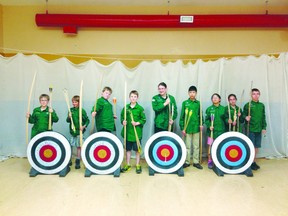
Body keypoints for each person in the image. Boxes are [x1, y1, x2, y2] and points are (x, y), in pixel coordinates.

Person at [120, 90, 146, 174]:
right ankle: (128, 164)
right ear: (129, 97)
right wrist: (123, 122)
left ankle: (138, 164)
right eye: (131, 96)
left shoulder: (140, 108)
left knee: (137, 150)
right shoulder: (126, 108)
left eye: (135, 97)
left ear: (137, 98)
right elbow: (122, 117)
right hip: (127, 133)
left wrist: (137, 123)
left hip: (136, 133)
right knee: (128, 150)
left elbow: (143, 119)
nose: (133, 98)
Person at [179, 86, 203, 169]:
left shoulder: (199, 103)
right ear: (188, 93)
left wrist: (201, 124)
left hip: (196, 127)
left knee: (196, 146)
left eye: (194, 92)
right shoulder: (185, 103)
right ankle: (187, 161)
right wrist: (182, 128)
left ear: (196, 93)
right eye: (190, 92)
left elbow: (200, 115)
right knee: (187, 146)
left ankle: (196, 162)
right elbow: (182, 116)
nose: (192, 94)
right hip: (187, 128)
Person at [243, 88, 267, 171]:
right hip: (250, 129)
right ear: (251, 95)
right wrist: (246, 117)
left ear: (259, 95)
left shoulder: (262, 105)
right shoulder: (248, 105)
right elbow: (243, 115)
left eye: (257, 93)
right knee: (251, 146)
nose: (256, 95)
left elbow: (263, 117)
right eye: (254, 94)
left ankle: (253, 161)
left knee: (256, 146)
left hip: (259, 129)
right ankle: (249, 162)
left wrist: (264, 127)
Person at [66, 95, 90, 169]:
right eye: (73, 102)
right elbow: (67, 121)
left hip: (79, 132)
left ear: (79, 102)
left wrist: (83, 126)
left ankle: (78, 159)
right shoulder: (71, 110)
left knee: (79, 146)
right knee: (71, 145)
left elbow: (87, 120)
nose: (74, 103)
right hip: (72, 131)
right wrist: (69, 117)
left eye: (75, 102)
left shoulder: (82, 111)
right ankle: (69, 159)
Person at [205, 93, 226, 169]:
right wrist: (209, 125)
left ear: (220, 99)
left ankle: (218, 160)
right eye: (213, 97)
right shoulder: (209, 109)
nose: (215, 98)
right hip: (211, 132)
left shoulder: (224, 109)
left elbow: (226, 119)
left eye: (216, 97)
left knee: (220, 146)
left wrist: (229, 121)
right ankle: (210, 160)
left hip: (221, 131)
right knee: (210, 145)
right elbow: (206, 119)